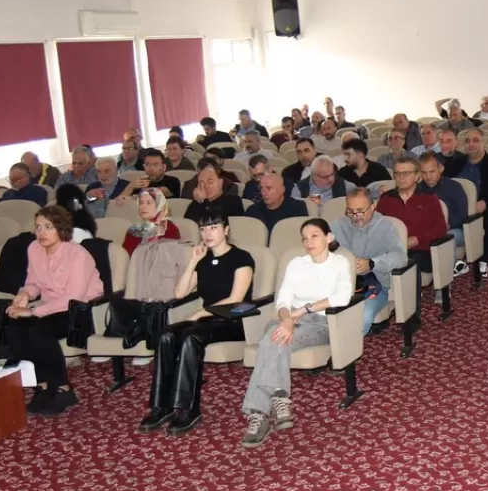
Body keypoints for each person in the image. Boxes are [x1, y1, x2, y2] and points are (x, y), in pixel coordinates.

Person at [139, 210, 255, 437]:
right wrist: (193, 261)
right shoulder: (202, 261)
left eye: (213, 227)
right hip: (206, 321)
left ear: (226, 230)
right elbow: (179, 292)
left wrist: (200, 312)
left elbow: (236, 299)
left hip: (234, 321)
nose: (208, 233)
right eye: (203, 229)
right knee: (166, 335)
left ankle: (187, 409)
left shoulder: (242, 258)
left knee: (191, 337)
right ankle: (160, 406)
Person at [241, 218, 352, 447]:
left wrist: (301, 311)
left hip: (322, 323)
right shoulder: (296, 263)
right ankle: (278, 398)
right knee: (275, 338)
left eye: (314, 236)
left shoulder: (340, 262)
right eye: (304, 237)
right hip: (288, 319)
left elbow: (341, 297)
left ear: (328, 237)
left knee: (270, 340)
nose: (308, 242)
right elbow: (282, 300)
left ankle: (259, 414)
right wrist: (287, 320)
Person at [5, 206, 104, 416]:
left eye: (48, 227)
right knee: (15, 327)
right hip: (51, 308)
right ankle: (41, 385)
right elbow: (33, 283)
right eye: (38, 227)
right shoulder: (34, 248)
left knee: (39, 330)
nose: (41, 233)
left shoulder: (78, 254)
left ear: (61, 229)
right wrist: (25, 295)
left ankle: (62, 388)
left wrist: (32, 312)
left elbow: (73, 297)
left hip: (82, 311)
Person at [332, 188, 406, 336]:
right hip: (339, 284)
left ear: (372, 207)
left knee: (361, 318)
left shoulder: (386, 227)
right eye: (351, 211)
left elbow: (400, 257)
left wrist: (373, 263)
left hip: (373, 286)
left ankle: (342, 354)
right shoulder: (337, 226)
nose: (355, 217)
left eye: (360, 211)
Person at [446, 129, 488, 279]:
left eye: (475, 140)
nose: (471, 144)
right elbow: (444, 185)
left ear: (483, 143)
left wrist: (486, 202)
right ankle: (452, 262)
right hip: (456, 209)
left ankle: (484, 259)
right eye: (467, 141)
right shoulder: (455, 164)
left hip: (482, 208)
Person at [376, 156, 448, 291]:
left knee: (408, 262)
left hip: (420, 250)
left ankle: (409, 303)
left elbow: (440, 228)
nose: (401, 177)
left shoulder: (429, 198)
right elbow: (376, 226)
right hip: (392, 249)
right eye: (397, 174)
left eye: (406, 173)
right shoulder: (386, 199)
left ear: (417, 176)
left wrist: (416, 239)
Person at [416, 152, 469, 276]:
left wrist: (444, 226)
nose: (428, 177)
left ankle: (444, 282)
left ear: (441, 168)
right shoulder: (417, 190)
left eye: (432, 171)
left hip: (454, 230)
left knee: (443, 238)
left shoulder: (454, 187)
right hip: (427, 232)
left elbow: (462, 215)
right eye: (424, 173)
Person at [123, 188, 181, 257]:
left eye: (149, 203)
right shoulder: (133, 230)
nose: (144, 207)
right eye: (141, 203)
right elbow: (125, 257)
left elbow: (170, 257)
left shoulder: (169, 229)